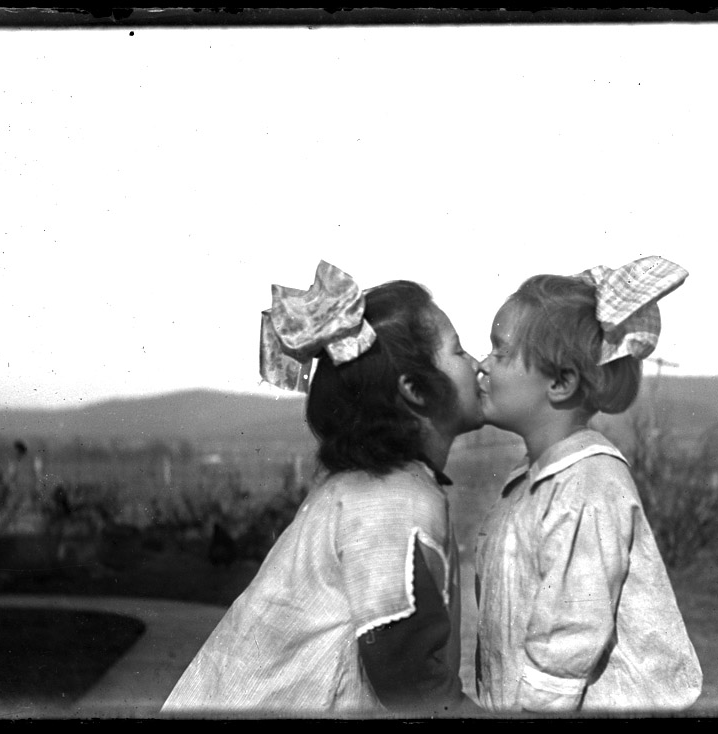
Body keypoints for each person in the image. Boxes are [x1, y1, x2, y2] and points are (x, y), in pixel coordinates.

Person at [161, 261, 484, 717]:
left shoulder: (371, 489)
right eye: (459, 351)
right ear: (415, 390)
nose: (477, 363)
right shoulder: (391, 501)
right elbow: (404, 671)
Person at [473, 256, 703, 714]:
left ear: (560, 382)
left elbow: (569, 639)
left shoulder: (589, 484)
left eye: (499, 353)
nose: (483, 366)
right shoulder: (535, 480)